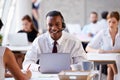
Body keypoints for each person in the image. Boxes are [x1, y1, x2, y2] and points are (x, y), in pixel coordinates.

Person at [86, 11, 120, 80]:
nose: (111, 24)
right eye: (109, 22)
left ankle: (116, 73)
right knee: (111, 64)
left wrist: (107, 52)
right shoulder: (103, 32)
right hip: (108, 60)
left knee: (111, 67)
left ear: (118, 22)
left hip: (117, 60)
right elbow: (88, 48)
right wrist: (97, 51)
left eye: (114, 22)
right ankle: (117, 74)